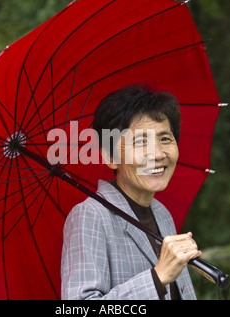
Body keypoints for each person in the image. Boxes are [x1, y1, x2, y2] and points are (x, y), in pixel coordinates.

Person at [61, 84, 202, 300]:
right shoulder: (90, 215)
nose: (157, 154)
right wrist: (157, 277)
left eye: (165, 139)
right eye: (140, 142)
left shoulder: (161, 213)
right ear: (111, 157)